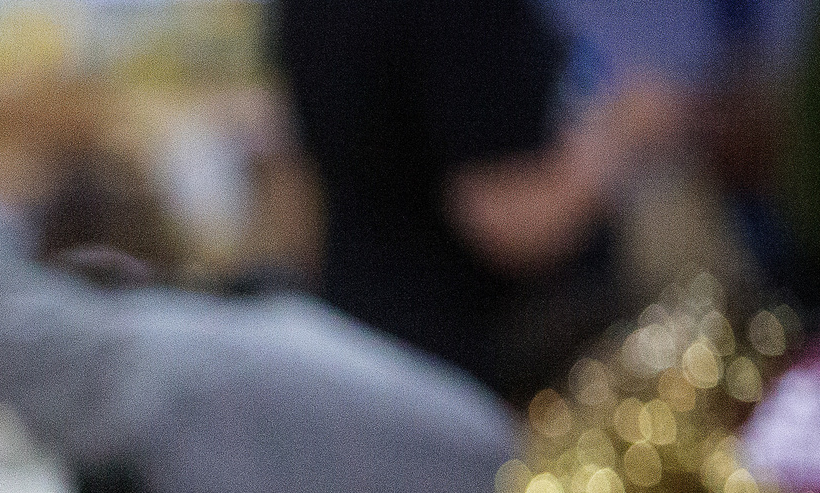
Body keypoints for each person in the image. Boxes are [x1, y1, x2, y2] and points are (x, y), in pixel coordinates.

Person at [275, 0, 686, 400]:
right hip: (486, 381)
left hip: (361, 342)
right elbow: (505, 217)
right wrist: (625, 134)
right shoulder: (462, 13)